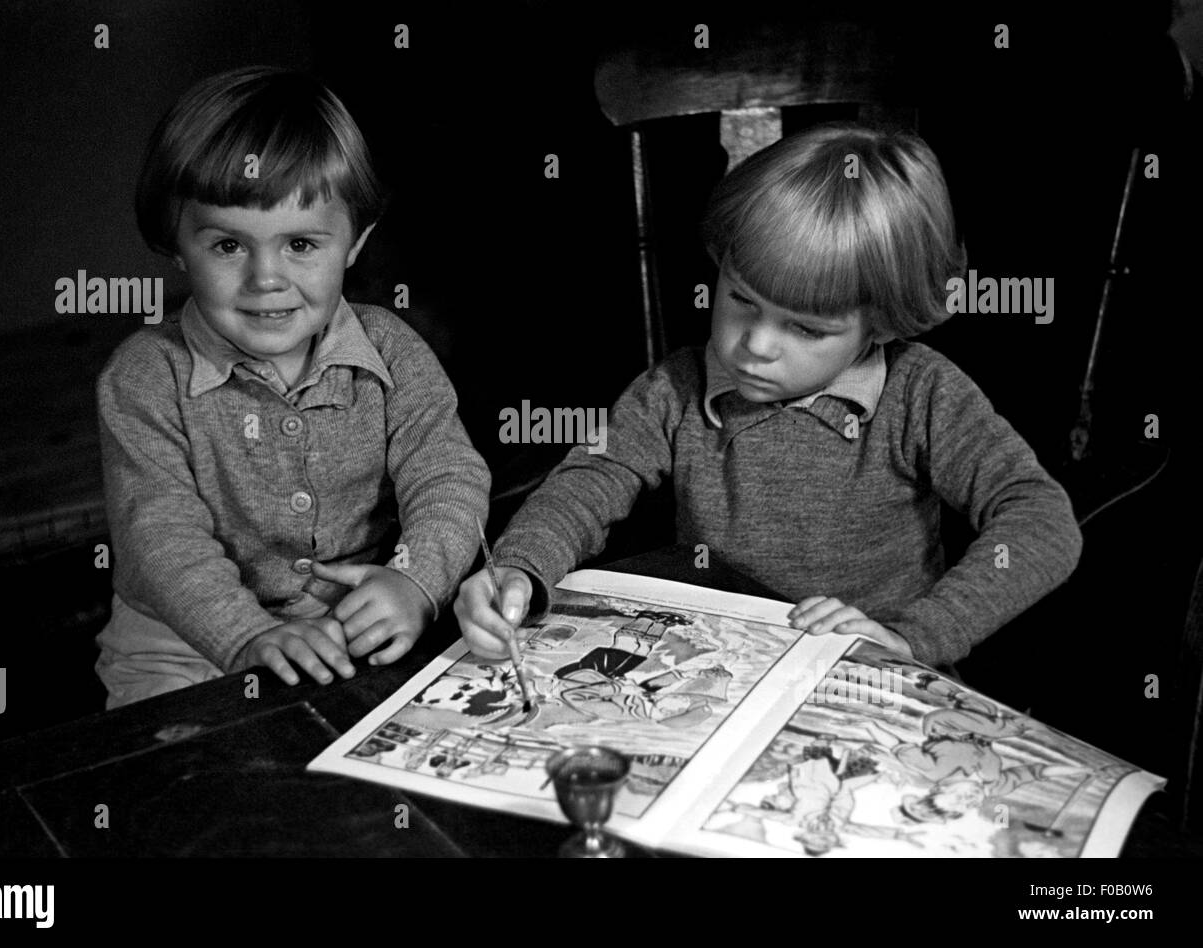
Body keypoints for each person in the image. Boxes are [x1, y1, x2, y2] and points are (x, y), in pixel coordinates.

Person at [455, 122, 1080, 670]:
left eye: (806, 328)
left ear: (883, 324)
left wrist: (914, 637)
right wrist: (521, 567)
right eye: (740, 299)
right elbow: (589, 482)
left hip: (875, 677)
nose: (754, 345)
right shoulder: (675, 387)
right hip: (716, 667)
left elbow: (1043, 524)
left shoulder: (924, 394)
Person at [95, 66, 489, 707]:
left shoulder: (392, 351)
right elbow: (159, 535)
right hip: (180, 646)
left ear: (354, 244)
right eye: (228, 245)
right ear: (176, 246)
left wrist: (416, 582)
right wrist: (245, 635)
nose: (265, 279)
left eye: (301, 243)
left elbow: (448, 476)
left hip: (351, 623)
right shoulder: (145, 376)